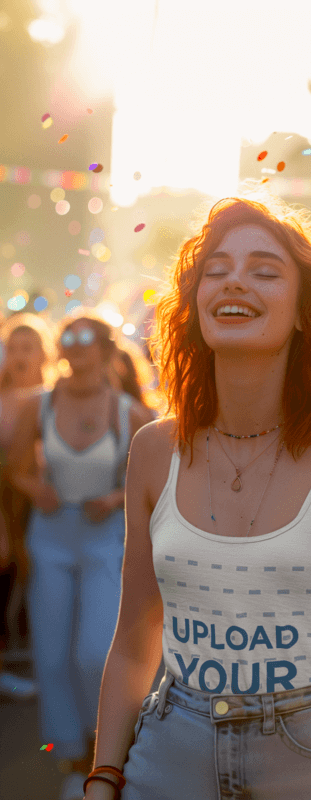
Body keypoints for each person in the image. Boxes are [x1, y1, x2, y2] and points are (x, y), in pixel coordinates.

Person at [84, 194, 311, 800]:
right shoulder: (154, 450)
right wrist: (103, 777)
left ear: (306, 310)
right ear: (195, 302)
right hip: (170, 752)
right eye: (216, 269)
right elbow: (133, 639)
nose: (235, 282)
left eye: (264, 270)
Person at [6, 311, 152, 800]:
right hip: (50, 536)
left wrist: (114, 498)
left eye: (86, 338)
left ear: (108, 351)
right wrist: (34, 488)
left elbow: (152, 481)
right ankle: (71, 757)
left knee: (94, 651)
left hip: (105, 537)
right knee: (50, 655)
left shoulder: (127, 411)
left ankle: (106, 751)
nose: (74, 345)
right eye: (67, 336)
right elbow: (14, 468)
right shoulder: (40, 404)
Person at [0, 313, 56, 699]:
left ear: (43, 354)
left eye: (28, 348)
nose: (19, 356)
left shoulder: (56, 397)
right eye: (12, 348)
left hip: (45, 502)